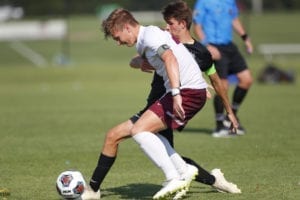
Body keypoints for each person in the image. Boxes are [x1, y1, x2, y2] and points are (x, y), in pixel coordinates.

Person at [83, 7, 209, 200]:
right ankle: (184, 170)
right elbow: (152, 57)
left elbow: (170, 58)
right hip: (186, 90)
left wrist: (176, 94)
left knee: (139, 131)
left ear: (127, 27)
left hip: (185, 92)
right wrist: (140, 63)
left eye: (117, 37)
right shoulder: (146, 38)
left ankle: (173, 177)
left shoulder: (150, 37)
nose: (118, 43)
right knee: (115, 135)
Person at [193, 0, 254, 137]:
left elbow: (234, 19)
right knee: (223, 87)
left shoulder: (229, 1)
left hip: (229, 47)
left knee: (247, 80)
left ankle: (231, 117)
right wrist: (207, 46)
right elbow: (197, 27)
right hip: (215, 47)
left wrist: (245, 38)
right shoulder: (203, 2)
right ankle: (219, 125)